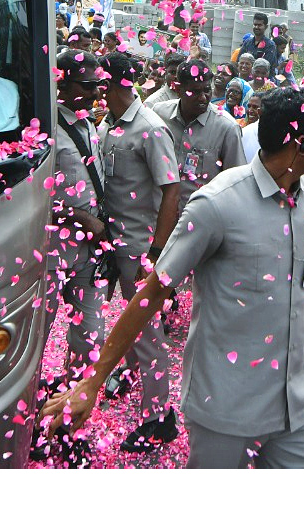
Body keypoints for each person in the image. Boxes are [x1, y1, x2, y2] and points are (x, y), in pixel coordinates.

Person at [40, 87, 304, 468]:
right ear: (301, 144)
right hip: (228, 406)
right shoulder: (218, 204)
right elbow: (152, 292)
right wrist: (92, 382)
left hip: (302, 406)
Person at [93, 52, 183, 450]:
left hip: (138, 246)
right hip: (116, 243)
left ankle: (160, 416)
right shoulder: (106, 125)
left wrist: (157, 251)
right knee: (133, 328)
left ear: (112, 85)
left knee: (148, 335)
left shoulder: (150, 129)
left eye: (98, 84)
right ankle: (131, 378)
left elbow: (172, 191)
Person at [34, 50, 110, 464]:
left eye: (98, 85)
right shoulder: (46, 129)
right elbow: (35, 195)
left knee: (90, 335)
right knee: (38, 333)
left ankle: (67, 417)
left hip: (88, 249)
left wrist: (100, 227)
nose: (96, 93)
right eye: (87, 85)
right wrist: (82, 219)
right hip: (52, 250)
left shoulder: (90, 127)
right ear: (62, 84)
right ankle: (25, 421)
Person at [151, 59, 246, 218]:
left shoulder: (227, 128)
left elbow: (235, 183)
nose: (203, 98)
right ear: (179, 89)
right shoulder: (159, 115)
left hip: (201, 221)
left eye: (207, 90)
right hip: (157, 217)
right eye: (194, 92)